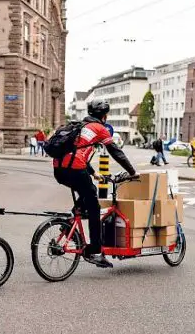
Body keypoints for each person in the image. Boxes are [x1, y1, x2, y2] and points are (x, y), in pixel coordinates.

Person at [53, 100, 138, 269]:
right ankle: (96, 251)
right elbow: (116, 151)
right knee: (94, 206)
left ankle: (73, 219)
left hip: (59, 170)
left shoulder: (78, 126)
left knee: (87, 192)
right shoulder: (99, 129)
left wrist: (93, 173)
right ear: (104, 116)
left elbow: (77, 153)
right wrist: (132, 172)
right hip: (75, 170)